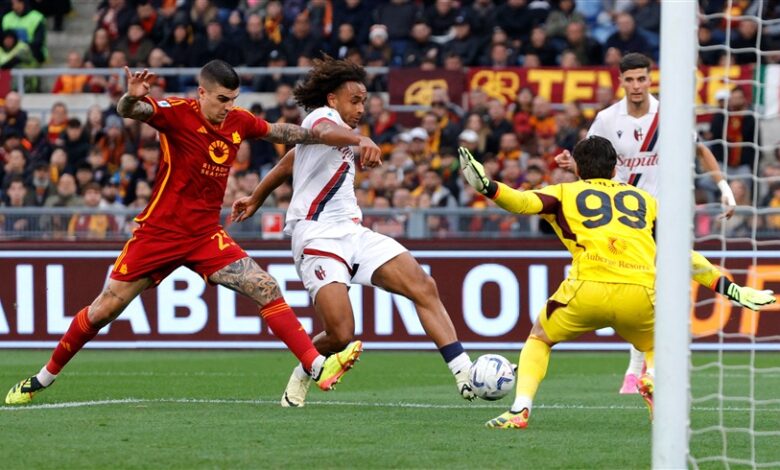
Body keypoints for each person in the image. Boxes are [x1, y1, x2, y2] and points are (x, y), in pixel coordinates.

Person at [5, 60, 365, 405]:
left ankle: (317, 366)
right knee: (103, 311)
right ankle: (42, 378)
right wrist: (132, 96)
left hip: (205, 236)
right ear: (202, 93)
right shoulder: (177, 113)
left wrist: (329, 137)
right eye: (222, 99)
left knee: (264, 286)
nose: (228, 107)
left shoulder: (238, 121)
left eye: (233, 100)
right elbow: (130, 110)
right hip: (159, 234)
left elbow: (281, 131)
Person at [459, 138, 775, 429]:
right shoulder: (645, 201)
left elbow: (520, 202)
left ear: (577, 169)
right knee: (658, 347)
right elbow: (681, 254)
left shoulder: (563, 192)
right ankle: (650, 377)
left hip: (587, 289)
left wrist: (487, 186)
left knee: (539, 338)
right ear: (615, 169)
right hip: (639, 292)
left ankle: (520, 409)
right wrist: (732, 289)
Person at [231, 56, 475, 407]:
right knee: (342, 334)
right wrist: (360, 140)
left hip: (354, 232)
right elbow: (323, 135)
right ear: (333, 99)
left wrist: (256, 196)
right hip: (317, 236)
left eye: (363, 101)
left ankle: (464, 374)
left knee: (424, 286)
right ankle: (303, 372)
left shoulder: (340, 132)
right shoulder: (321, 119)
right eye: (354, 100)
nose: (360, 108)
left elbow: (289, 163)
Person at [554, 52, 776, 395]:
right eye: (630, 80)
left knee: (661, 289)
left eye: (642, 78)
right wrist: (572, 165)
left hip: (665, 213)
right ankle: (642, 370)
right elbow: (590, 158)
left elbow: (700, 150)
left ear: (650, 79)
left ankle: (638, 372)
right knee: (651, 290)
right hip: (624, 218)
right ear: (621, 81)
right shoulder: (607, 119)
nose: (636, 86)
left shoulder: (667, 115)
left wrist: (723, 188)